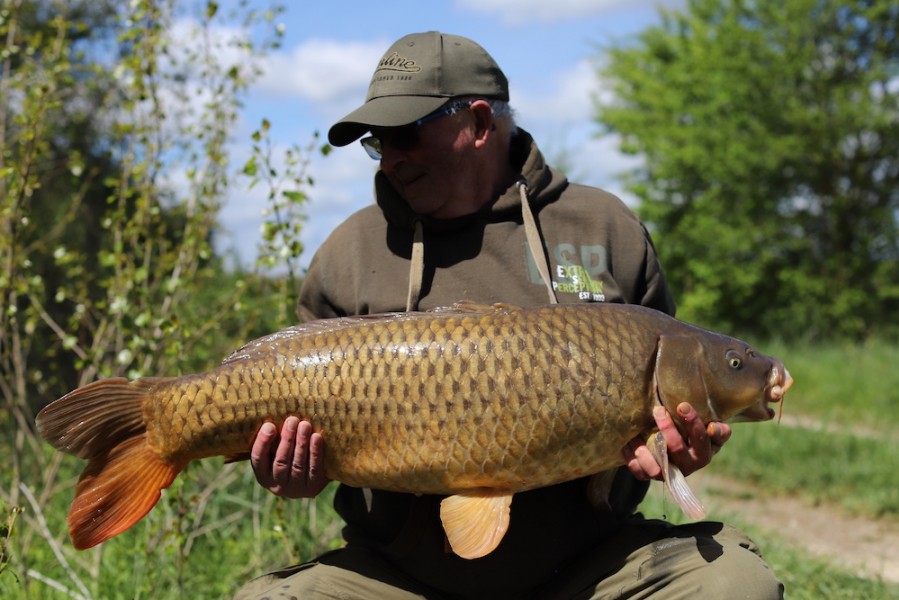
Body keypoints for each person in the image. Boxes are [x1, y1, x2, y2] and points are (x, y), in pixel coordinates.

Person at [234, 31, 783, 599]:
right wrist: (289, 476)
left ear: (477, 124)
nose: (391, 157)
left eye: (406, 134)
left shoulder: (603, 226)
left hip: (590, 568)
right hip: (402, 577)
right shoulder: (349, 255)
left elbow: (675, 403)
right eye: (378, 142)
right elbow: (295, 462)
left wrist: (679, 451)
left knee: (735, 585)